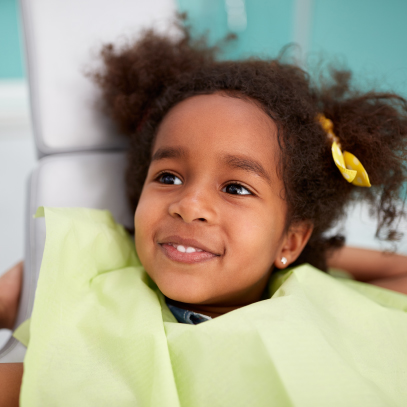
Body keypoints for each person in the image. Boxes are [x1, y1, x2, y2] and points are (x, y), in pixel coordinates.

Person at [1, 21, 407, 406]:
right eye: (168, 177)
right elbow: (43, 380)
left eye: (235, 188)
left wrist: (298, 251)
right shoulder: (94, 287)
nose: (189, 205)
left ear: (292, 239)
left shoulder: (317, 304)